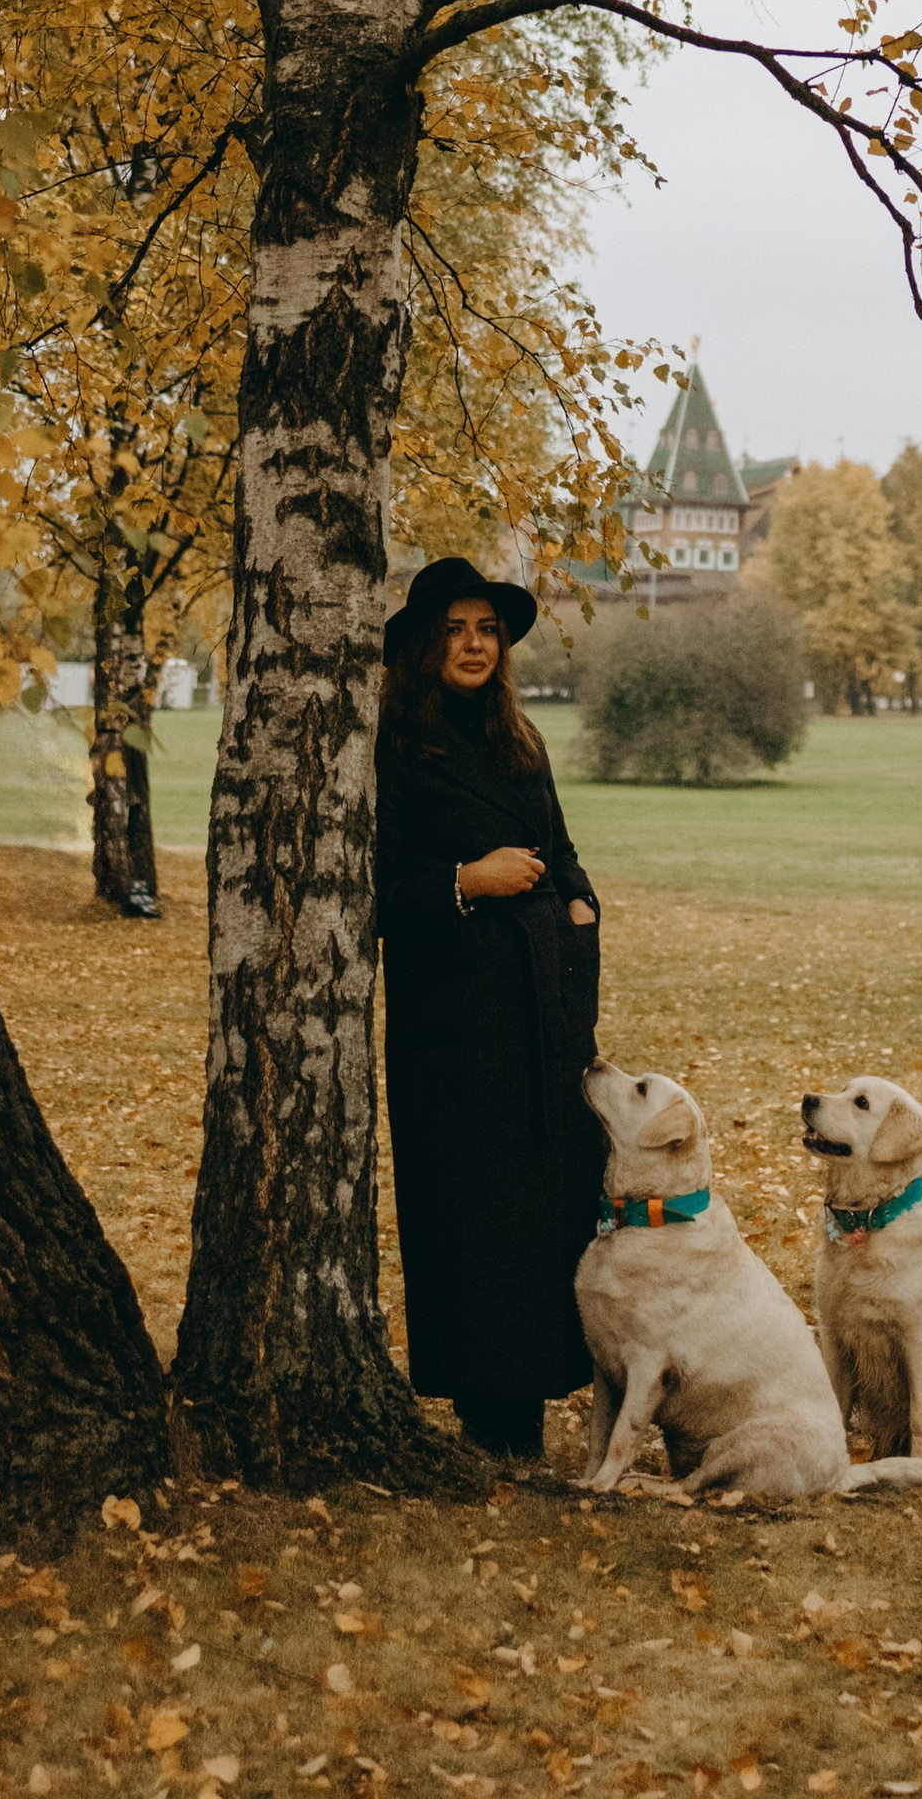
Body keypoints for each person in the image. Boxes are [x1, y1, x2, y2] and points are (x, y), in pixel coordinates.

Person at [374, 553, 603, 1460]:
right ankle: (487, 1416)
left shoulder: (522, 739)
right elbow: (374, 887)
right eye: (456, 629)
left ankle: (535, 1407)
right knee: (474, 1214)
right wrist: (467, 881)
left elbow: (564, 847)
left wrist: (579, 907)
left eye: (487, 631)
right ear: (427, 643)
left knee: (548, 1209)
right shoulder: (394, 745)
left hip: (543, 1012)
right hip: (454, 1024)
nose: (473, 644)